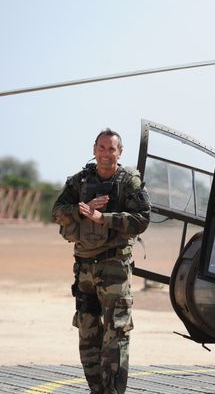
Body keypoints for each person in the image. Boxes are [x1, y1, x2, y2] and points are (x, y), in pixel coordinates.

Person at [52, 128, 151, 394]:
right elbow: (57, 212)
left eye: (112, 149)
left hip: (114, 268)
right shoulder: (79, 181)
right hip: (84, 268)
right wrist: (81, 211)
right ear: (94, 149)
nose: (106, 154)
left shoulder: (129, 181)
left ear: (120, 153)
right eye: (102, 148)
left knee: (116, 337)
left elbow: (142, 219)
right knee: (87, 334)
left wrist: (102, 218)